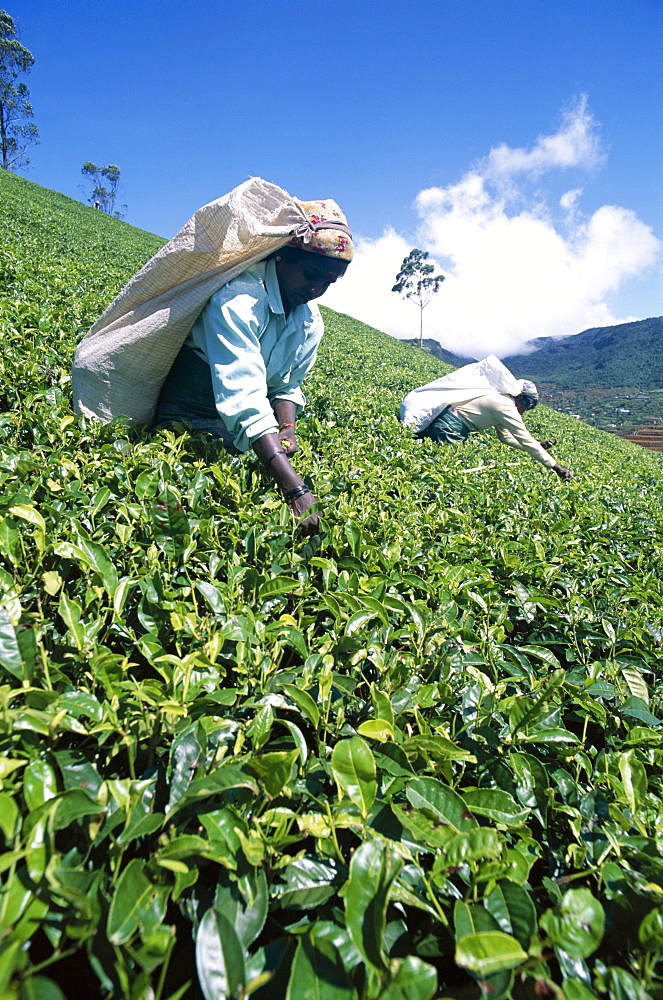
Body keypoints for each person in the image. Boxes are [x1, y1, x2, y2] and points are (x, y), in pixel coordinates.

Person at [153, 200, 353, 532]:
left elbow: (287, 385)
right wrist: (296, 490)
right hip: (185, 415)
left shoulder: (308, 321)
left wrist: (287, 429)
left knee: (248, 491)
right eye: (311, 274)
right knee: (198, 506)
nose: (317, 289)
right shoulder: (239, 300)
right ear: (282, 256)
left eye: (329, 282)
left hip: (238, 426)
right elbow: (245, 398)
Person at [400, 355, 573, 480]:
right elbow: (525, 439)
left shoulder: (502, 402)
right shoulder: (505, 406)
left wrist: (539, 446)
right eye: (525, 407)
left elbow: (505, 437)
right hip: (450, 428)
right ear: (520, 399)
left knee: (433, 462)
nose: (523, 412)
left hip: (450, 424)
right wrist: (556, 468)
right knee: (442, 471)